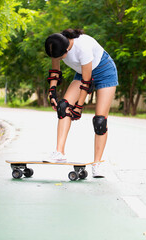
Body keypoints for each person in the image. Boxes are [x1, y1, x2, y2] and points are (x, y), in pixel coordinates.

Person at [44, 29, 118, 178]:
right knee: (63, 107)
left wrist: (78, 106)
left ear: (67, 50)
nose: (57, 59)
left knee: (100, 121)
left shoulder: (82, 47)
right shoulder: (56, 44)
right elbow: (55, 71)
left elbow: (86, 82)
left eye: (60, 57)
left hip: (105, 72)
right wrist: (52, 91)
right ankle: (59, 152)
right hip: (83, 73)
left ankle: (97, 164)